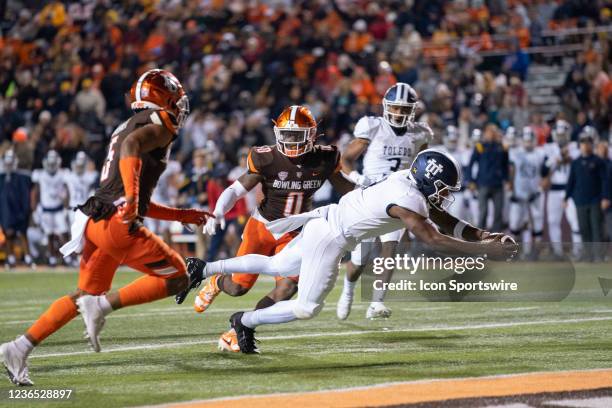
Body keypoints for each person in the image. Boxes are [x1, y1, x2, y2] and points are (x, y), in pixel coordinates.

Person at [178, 149, 518, 354]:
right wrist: (484, 250)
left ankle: (204, 268)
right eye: (443, 189)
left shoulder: (406, 182)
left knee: (275, 263)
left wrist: (484, 235)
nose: (445, 195)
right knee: (307, 307)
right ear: (427, 183)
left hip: (324, 220)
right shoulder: (409, 200)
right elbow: (432, 237)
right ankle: (245, 321)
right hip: (333, 237)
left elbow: (443, 218)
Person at [0, 69, 211, 386]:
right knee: (180, 277)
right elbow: (131, 166)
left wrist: (180, 214)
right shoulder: (158, 125)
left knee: (82, 295)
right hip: (114, 222)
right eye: (175, 101)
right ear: (162, 99)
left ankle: (19, 347)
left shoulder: (128, 124)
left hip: (95, 219)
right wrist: (130, 195)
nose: (180, 107)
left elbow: (138, 200)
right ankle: (103, 305)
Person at [192, 105, 355, 352]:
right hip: (263, 226)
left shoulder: (325, 158)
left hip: (295, 230)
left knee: (288, 287)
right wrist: (217, 212)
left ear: (311, 135)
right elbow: (237, 189)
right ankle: (217, 281)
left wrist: (374, 198)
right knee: (238, 288)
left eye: (295, 135)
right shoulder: (266, 157)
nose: (289, 140)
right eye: (285, 134)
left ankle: (241, 328)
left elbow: (347, 189)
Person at [337, 83, 432, 320]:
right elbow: (345, 159)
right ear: (386, 107)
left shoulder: (420, 133)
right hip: (369, 196)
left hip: (398, 197)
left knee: (390, 248)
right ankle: (348, 290)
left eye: (404, 109)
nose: (399, 113)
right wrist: (357, 177)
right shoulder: (373, 127)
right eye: (396, 108)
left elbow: (421, 165)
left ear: (412, 110)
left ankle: (376, 303)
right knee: (360, 259)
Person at [565, 130, 608, 262]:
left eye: (588, 143)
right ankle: (588, 256)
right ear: (580, 145)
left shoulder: (598, 161)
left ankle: (599, 255)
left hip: (595, 199)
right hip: (580, 200)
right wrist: (566, 197)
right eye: (583, 143)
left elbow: (604, 181)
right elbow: (571, 181)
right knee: (584, 228)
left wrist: (605, 197)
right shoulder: (576, 162)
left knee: (596, 228)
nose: (585, 146)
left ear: (591, 145)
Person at [507, 127, 548, 258]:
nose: (528, 143)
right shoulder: (515, 152)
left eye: (530, 141)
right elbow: (511, 172)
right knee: (515, 223)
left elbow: (546, 173)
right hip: (518, 193)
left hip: (534, 194)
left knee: (536, 223)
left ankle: (533, 252)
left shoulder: (541, 153)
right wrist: (511, 189)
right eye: (526, 141)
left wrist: (541, 188)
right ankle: (513, 253)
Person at [544, 120, 582, 258]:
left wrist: (566, 157)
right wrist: (557, 158)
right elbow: (544, 169)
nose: (560, 138)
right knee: (552, 221)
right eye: (558, 135)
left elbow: (576, 162)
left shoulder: (575, 147)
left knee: (575, 220)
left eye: (563, 135)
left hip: (570, 189)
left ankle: (578, 251)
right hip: (554, 189)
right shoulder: (548, 148)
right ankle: (558, 251)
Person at [468, 124, 509, 232]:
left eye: (494, 131)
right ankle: (481, 238)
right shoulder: (480, 147)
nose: (492, 134)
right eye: (490, 131)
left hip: (498, 184)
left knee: (498, 213)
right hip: (483, 183)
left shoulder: (502, 147)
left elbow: (505, 165)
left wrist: (507, 179)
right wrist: (471, 180)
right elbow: (470, 164)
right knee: (483, 212)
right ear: (485, 133)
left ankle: (496, 239)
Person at [31, 150, 69, 267]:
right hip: (45, 209)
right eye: (50, 163)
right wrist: (34, 209)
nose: (52, 166)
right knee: (49, 234)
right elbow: (35, 192)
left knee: (64, 233)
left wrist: (66, 207)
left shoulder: (63, 174)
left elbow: (67, 192)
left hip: (58, 209)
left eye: (54, 163)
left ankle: (68, 256)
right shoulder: (40, 174)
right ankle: (52, 257)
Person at [0, 150, 34, 269]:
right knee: (8, 235)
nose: (9, 165)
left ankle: (28, 258)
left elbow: (24, 197)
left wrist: (24, 212)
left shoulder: (22, 178)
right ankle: (10, 258)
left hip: (18, 210)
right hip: (6, 211)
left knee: (22, 234)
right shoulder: (2, 177)